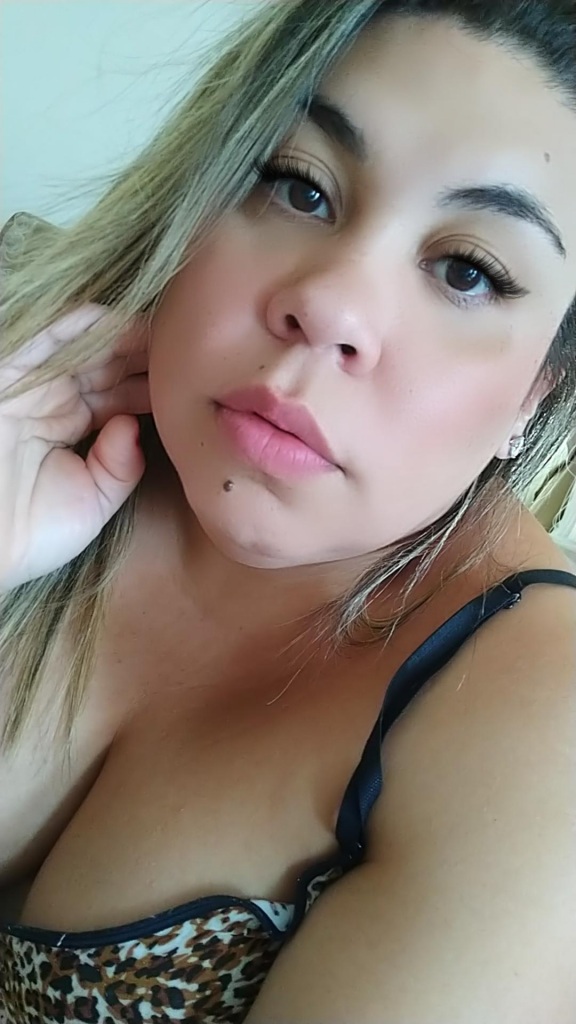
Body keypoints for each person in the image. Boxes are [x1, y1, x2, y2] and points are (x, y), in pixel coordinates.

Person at [0, 0, 575, 1020]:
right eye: (299, 185)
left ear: (537, 394)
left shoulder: (539, 724)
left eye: (468, 271)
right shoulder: (24, 386)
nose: (332, 304)